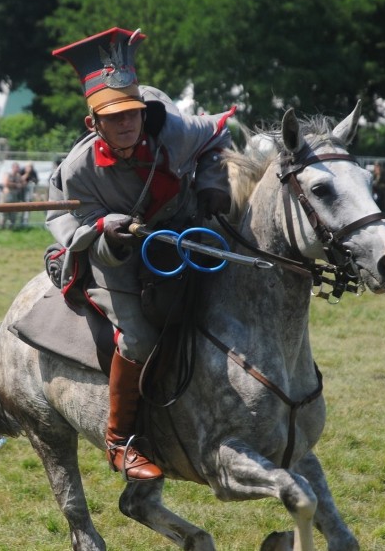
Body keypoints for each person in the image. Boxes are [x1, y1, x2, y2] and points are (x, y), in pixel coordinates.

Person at [47, 27, 233, 481]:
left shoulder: (172, 128)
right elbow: (78, 232)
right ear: (95, 124)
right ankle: (119, 442)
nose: (128, 123)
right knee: (140, 338)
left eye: (132, 113)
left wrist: (212, 182)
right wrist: (110, 234)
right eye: (115, 118)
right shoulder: (77, 172)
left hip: (178, 231)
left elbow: (217, 137)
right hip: (115, 257)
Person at [0, 162, 25, 230]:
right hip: (6, 195)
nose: (17, 169)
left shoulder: (18, 176)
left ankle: (11, 228)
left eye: (18, 168)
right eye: (16, 167)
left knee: (13, 213)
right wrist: (16, 185)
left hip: (14, 196)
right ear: (13, 167)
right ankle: (2, 227)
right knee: (4, 212)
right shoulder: (8, 174)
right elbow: (5, 183)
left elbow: (23, 183)